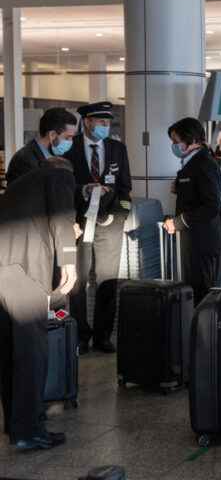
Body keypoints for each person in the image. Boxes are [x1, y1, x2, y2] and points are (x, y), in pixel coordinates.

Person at [0, 157, 78, 451]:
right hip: (24, 272)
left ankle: (15, 423)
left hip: (3, 269)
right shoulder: (59, 176)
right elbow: (61, 216)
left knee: (9, 350)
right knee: (33, 353)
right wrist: (69, 260)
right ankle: (29, 431)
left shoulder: (19, 187)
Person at [65, 101, 132, 354]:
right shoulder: (69, 149)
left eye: (108, 123)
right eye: (101, 122)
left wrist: (119, 216)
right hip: (79, 226)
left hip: (109, 226)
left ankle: (104, 335)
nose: (105, 127)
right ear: (88, 122)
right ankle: (81, 334)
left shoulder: (117, 149)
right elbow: (62, 187)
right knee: (78, 281)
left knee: (107, 281)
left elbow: (125, 188)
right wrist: (82, 192)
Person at [162, 118, 221, 305]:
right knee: (194, 289)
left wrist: (178, 222)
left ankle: (202, 333)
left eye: (176, 141)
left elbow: (211, 205)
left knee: (201, 292)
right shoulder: (192, 162)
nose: (174, 146)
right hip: (194, 239)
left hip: (202, 241)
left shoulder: (204, 163)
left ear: (192, 140)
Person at [5, 108, 78, 185]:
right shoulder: (24, 160)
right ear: (52, 135)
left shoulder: (60, 156)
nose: (71, 142)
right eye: (67, 138)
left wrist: (84, 190)